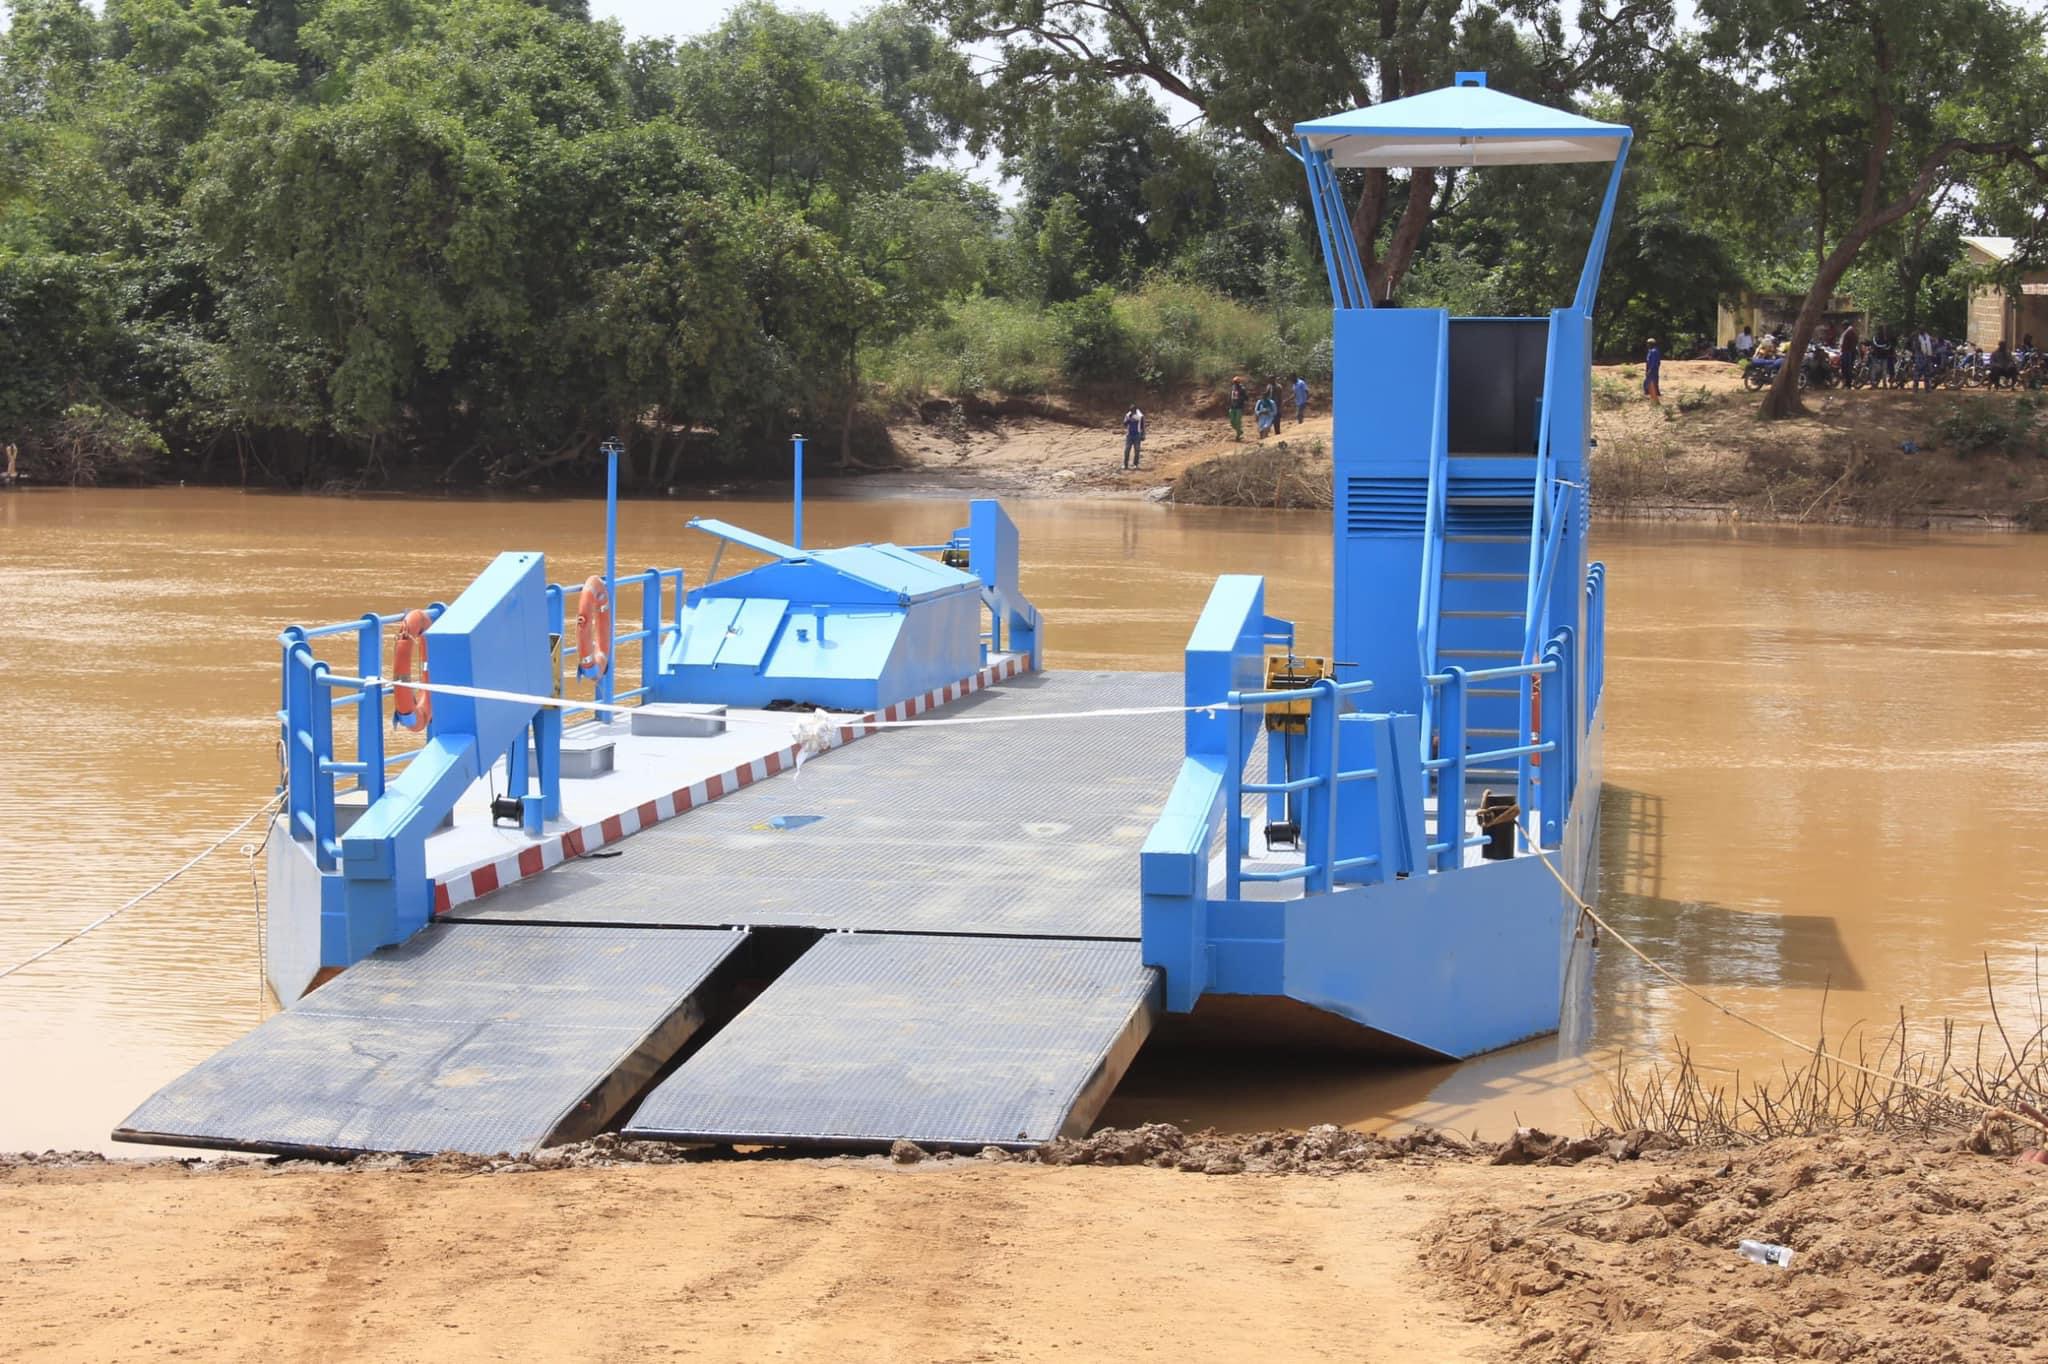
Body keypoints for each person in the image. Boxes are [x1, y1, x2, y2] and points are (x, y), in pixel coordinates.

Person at [1121, 403, 1146, 469]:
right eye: (1131, 410)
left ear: (1135, 410)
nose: (1132, 411)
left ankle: (1136, 464)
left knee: (1137, 450)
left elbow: (1142, 426)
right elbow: (1124, 424)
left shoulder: (1140, 416)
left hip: (1137, 435)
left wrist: (1143, 434)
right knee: (1127, 450)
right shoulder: (1128, 415)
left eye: (1133, 410)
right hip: (1129, 435)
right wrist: (1128, 419)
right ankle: (1125, 465)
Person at [1837, 321, 1858, 388]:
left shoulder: (1850, 332)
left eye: (1843, 326)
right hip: (1847, 351)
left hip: (1847, 352)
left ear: (1846, 325)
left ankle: (1848, 384)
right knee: (1845, 368)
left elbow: (1851, 343)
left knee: (1847, 368)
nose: (1842, 327)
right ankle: (1847, 383)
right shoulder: (1849, 332)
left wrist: (1848, 350)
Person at [1227, 376, 1247, 442]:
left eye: (1236, 382)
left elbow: (1246, 398)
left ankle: (1238, 435)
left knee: (1238, 422)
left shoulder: (1242, 389)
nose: (1235, 383)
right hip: (1232, 407)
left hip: (1239, 407)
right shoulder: (1233, 388)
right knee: (1232, 422)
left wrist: (1241, 398)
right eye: (1234, 382)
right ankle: (1240, 431)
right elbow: (1231, 397)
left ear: (1239, 382)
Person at [1642, 337, 1662, 402]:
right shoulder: (1654, 350)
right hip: (1654, 369)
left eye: (1648, 344)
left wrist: (1649, 370)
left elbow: (1653, 362)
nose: (1647, 345)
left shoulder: (1653, 351)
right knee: (1654, 382)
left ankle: (1651, 395)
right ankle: (1656, 394)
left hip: (1652, 369)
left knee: (1649, 382)